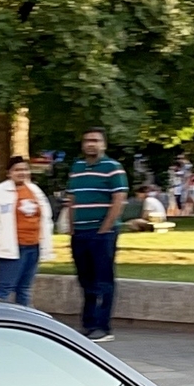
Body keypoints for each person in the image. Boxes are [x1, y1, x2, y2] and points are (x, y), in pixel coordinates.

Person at [66, 127, 128, 340]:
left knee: (103, 280)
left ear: (103, 144)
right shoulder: (77, 167)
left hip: (102, 233)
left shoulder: (113, 168)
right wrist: (72, 229)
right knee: (85, 280)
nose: (90, 144)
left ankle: (103, 327)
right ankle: (88, 324)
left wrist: (104, 229)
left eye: (95, 140)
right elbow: (72, 200)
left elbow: (119, 200)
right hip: (80, 234)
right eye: (87, 140)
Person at [0, 155, 53, 308]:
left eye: (25, 169)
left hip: (33, 246)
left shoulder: (34, 190)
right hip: (12, 248)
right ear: (9, 173)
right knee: (5, 288)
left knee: (25, 289)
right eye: (17, 170)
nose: (21, 173)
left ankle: (23, 322)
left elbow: (46, 216)